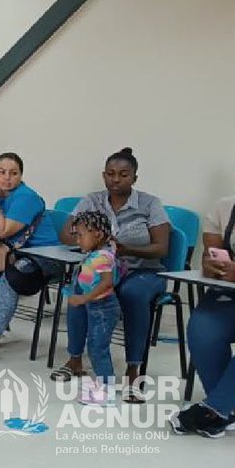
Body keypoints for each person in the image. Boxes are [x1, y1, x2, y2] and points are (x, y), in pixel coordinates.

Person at [56, 148, 170, 402]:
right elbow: (66, 234)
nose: (116, 179)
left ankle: (133, 369)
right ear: (103, 175)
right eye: (110, 174)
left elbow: (161, 247)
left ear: (135, 178)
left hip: (142, 269)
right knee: (79, 287)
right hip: (102, 266)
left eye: (123, 174)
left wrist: (127, 248)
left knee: (133, 294)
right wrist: (95, 240)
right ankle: (75, 360)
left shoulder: (150, 203)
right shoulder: (92, 200)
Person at [172, 152, 235, 439]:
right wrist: (210, 265)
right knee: (202, 330)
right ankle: (223, 411)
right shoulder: (223, 208)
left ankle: (213, 410)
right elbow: (210, 253)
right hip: (234, 294)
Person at [0, 152, 63, 363]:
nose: (7, 178)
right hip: (13, 254)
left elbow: (3, 231)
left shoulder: (26, 197)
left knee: (13, 274)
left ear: (21, 176)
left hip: (45, 257)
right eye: (1, 172)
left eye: (13, 173)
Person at [62, 211, 123, 406]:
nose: (77, 240)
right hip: (95, 307)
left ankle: (106, 391)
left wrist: (83, 298)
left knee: (98, 348)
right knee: (94, 346)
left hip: (103, 308)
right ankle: (102, 385)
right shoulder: (97, 253)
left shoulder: (103, 256)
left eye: (81, 235)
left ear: (97, 234)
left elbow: (106, 283)